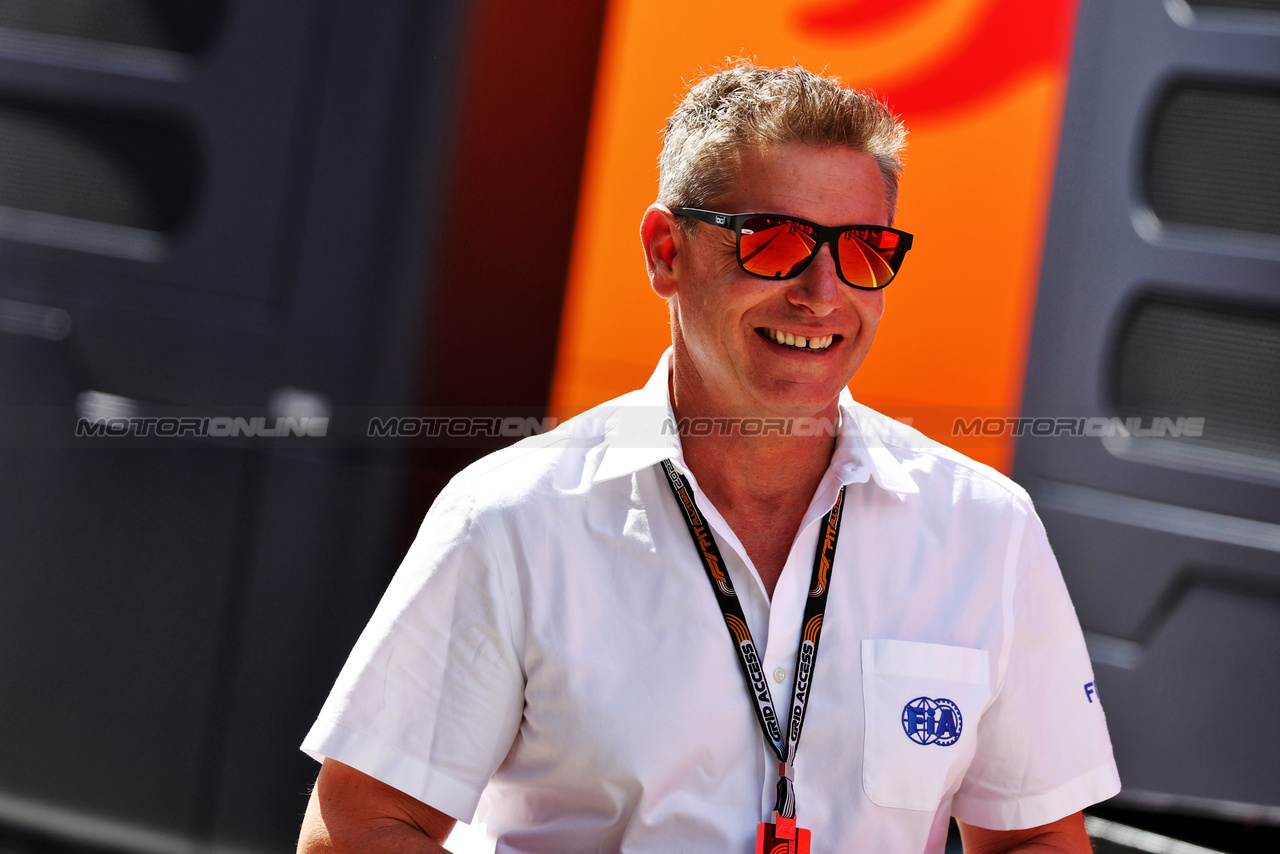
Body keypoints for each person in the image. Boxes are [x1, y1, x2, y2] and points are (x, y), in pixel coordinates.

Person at [297, 62, 1120, 853]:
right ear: (666, 251)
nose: (822, 293)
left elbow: (1037, 837)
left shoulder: (985, 530)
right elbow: (357, 830)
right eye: (775, 241)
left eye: (864, 248)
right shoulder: (513, 517)